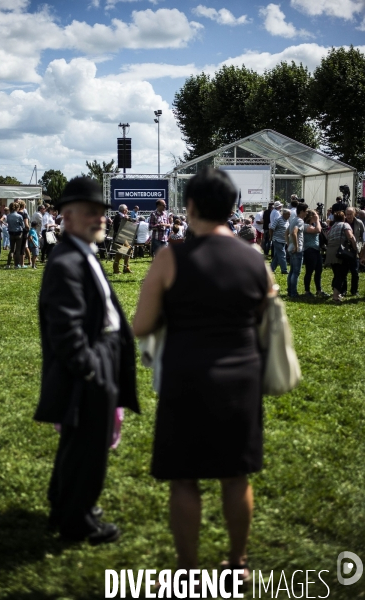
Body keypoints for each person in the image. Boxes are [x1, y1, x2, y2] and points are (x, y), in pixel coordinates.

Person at [133, 167, 269, 585]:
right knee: (235, 475)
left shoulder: (170, 258)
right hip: (242, 377)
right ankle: (238, 563)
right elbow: (266, 317)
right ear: (233, 208)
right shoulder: (255, 259)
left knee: (184, 478)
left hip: (186, 376)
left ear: (189, 206)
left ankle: (189, 572)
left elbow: (141, 325)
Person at [34, 176, 140, 544]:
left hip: (99, 361)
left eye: (101, 212)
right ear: (66, 214)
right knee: (89, 451)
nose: (99, 219)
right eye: (90, 212)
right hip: (90, 370)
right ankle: (78, 522)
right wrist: (93, 369)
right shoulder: (67, 262)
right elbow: (66, 331)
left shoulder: (81, 251)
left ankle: (65, 505)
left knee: (76, 447)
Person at [324, 211, 357, 303]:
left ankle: (337, 293)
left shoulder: (332, 227)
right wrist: (355, 249)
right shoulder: (345, 225)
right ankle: (335, 296)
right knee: (341, 275)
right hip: (340, 253)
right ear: (344, 218)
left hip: (331, 253)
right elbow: (350, 237)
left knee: (336, 273)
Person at [302, 209, 329, 298]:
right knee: (309, 271)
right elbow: (318, 230)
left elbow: (319, 230)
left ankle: (319, 290)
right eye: (315, 215)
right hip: (309, 250)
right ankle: (307, 291)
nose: (317, 216)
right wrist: (317, 220)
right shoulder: (305, 226)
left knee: (319, 270)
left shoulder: (313, 225)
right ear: (311, 217)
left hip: (316, 250)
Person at [286, 202, 308, 298]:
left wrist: (289, 244)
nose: (307, 213)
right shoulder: (299, 221)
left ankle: (290, 291)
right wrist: (296, 246)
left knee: (291, 271)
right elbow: (294, 233)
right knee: (296, 272)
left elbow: (286, 232)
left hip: (291, 247)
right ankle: (293, 293)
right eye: (306, 211)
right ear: (302, 211)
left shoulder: (293, 220)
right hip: (296, 249)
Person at [341, 207, 364, 297]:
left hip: (355, 250)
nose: (349, 216)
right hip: (344, 249)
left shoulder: (359, 223)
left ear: (355, 214)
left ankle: (354, 290)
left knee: (355, 272)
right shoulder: (343, 223)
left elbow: (363, 235)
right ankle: (343, 290)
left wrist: (362, 247)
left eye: (350, 214)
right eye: (347, 214)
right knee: (344, 271)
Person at [112, 204, 132, 273]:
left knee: (128, 251)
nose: (128, 210)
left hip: (124, 237)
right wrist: (124, 219)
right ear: (124, 210)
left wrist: (127, 219)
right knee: (119, 254)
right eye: (127, 209)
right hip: (119, 238)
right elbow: (117, 227)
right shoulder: (118, 216)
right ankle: (116, 270)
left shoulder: (124, 216)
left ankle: (126, 268)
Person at [270, 209, 290, 274]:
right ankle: (284, 270)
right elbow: (271, 228)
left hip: (283, 241)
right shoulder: (278, 219)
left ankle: (271, 269)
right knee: (282, 254)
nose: (289, 216)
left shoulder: (287, 221)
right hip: (277, 240)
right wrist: (271, 237)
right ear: (284, 214)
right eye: (288, 214)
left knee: (277, 256)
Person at [5, 202, 24, 269]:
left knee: (12, 249)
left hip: (11, 233)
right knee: (18, 250)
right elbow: (22, 225)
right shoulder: (19, 216)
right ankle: (16, 265)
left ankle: (8, 264)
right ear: (17, 208)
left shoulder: (8, 216)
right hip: (18, 233)